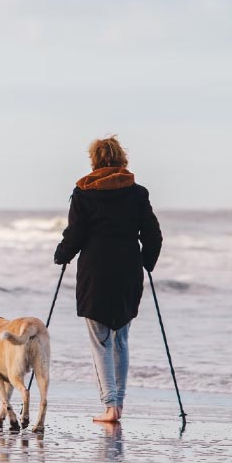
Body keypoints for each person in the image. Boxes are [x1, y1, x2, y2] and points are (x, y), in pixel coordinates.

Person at [53, 136, 162, 423]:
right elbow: (152, 235)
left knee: (101, 340)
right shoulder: (137, 193)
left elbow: (75, 234)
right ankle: (119, 405)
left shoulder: (84, 191)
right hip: (128, 269)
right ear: (121, 159)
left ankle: (110, 407)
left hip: (95, 271)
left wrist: (62, 254)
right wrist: (148, 262)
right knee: (121, 339)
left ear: (95, 160)